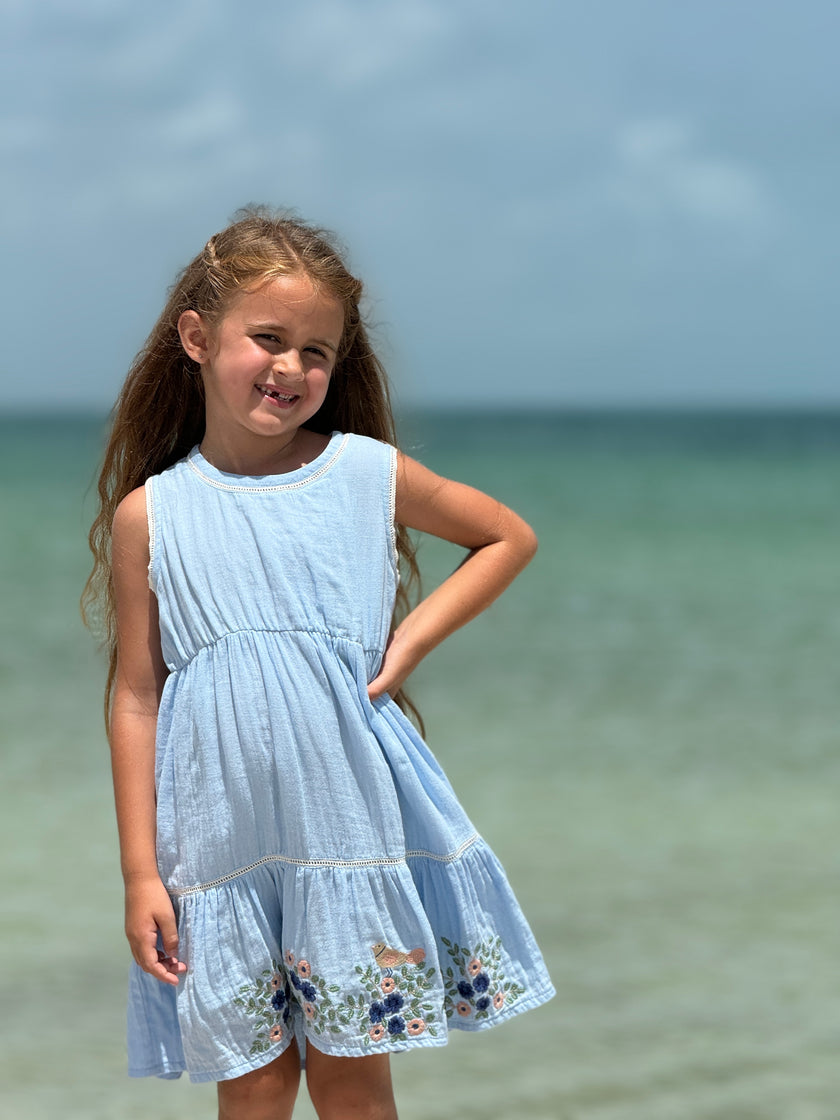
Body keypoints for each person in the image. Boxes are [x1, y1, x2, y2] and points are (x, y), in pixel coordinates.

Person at [84, 207, 554, 1120]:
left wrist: (408, 640)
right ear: (196, 336)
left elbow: (505, 536)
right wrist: (141, 872)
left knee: (353, 1084)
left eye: (317, 351)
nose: (291, 367)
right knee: (254, 1090)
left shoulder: (362, 473)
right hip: (220, 843)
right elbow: (137, 697)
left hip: (346, 828)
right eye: (268, 338)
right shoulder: (153, 515)